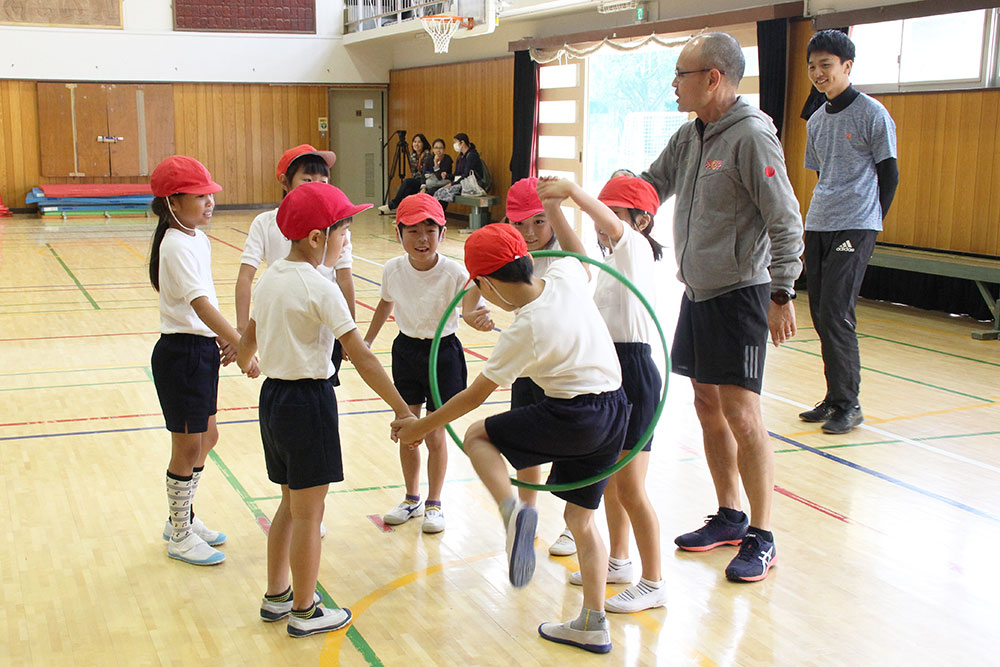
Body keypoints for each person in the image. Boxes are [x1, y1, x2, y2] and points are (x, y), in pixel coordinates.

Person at [392, 222, 630, 654]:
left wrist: (419, 426)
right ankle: (594, 622)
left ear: (484, 284)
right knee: (580, 520)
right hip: (616, 411)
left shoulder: (526, 328)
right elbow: (579, 257)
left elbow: (473, 397)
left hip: (575, 414)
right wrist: (558, 208)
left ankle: (514, 512)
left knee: (478, 434)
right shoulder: (564, 276)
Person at [641, 32, 804, 582]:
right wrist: (611, 204)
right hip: (698, 293)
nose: (674, 84)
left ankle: (763, 534)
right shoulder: (692, 135)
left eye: (681, 74)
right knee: (706, 405)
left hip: (742, 296)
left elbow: (785, 219)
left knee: (743, 415)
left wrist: (782, 292)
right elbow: (651, 185)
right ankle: (731, 515)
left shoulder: (752, 137)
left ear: (713, 78)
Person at [237, 182, 417, 637]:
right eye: (344, 232)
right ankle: (305, 610)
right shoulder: (321, 287)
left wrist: (244, 356)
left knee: (288, 504)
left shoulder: (272, 277)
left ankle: (277, 595)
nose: (347, 242)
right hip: (309, 404)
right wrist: (402, 410)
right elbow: (362, 355)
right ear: (317, 237)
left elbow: (249, 340)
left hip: (274, 401)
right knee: (309, 514)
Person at [538, 175, 666, 613]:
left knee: (631, 485)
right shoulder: (613, 262)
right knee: (612, 481)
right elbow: (577, 254)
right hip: (611, 371)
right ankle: (619, 561)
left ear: (642, 220)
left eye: (616, 211)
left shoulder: (636, 248)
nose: (602, 223)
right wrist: (553, 208)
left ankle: (654, 581)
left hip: (636, 370)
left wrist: (573, 192)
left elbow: (611, 227)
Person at [148, 155, 259, 566]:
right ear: (173, 202)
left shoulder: (196, 238)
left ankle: (184, 517)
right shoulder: (175, 244)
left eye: (211, 195)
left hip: (199, 349)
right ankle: (179, 533)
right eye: (201, 196)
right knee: (188, 444)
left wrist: (225, 341)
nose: (210, 202)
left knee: (207, 437)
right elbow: (200, 305)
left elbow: (205, 306)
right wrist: (243, 344)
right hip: (181, 355)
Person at [364, 193, 494, 533]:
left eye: (429, 230)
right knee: (407, 428)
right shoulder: (393, 268)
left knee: (435, 434)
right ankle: (411, 498)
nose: (422, 239)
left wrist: (478, 318)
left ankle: (435, 503)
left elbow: (470, 309)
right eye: (413, 231)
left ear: (442, 233)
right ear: (398, 234)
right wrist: (367, 340)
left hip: (444, 355)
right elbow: (385, 304)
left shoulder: (454, 272)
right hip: (406, 351)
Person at [799, 29, 898, 434]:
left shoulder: (874, 113)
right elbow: (824, 174)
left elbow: (889, 173)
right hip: (820, 221)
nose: (818, 73)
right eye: (812, 67)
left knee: (837, 312)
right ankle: (834, 396)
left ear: (847, 67)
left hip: (856, 224)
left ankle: (849, 403)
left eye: (826, 65)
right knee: (820, 312)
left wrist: (872, 221)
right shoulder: (816, 120)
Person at [236, 144, 354, 386]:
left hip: (325, 321)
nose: (316, 186)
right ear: (284, 182)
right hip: (285, 322)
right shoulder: (265, 223)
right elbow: (246, 277)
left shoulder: (336, 227)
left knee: (322, 386)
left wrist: (349, 333)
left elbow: (344, 278)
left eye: (323, 180)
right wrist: (241, 329)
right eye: (308, 179)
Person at [503, 177, 576, 558]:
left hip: (565, 369)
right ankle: (527, 514)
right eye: (519, 224)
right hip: (530, 367)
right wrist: (473, 310)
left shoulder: (568, 253)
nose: (529, 232)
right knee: (526, 445)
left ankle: (573, 524)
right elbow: (483, 290)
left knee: (572, 449)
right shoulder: (512, 253)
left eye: (538, 221)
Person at [378, 133, 433, 214]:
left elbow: (424, 174)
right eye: (414, 142)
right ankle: (402, 211)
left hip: (425, 182)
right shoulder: (413, 156)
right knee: (408, 190)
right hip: (417, 180)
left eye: (419, 142)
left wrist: (421, 185)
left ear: (423, 144)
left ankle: (392, 205)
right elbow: (414, 173)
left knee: (407, 182)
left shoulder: (427, 155)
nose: (416, 144)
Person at [433, 132, 484, 208]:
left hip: (471, 184)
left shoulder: (472, 155)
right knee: (438, 192)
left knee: (442, 192)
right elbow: (457, 174)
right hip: (461, 182)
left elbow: (466, 175)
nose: (454, 145)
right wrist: (447, 175)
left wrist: (452, 184)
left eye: (455, 142)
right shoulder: (460, 157)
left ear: (462, 142)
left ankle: (438, 216)